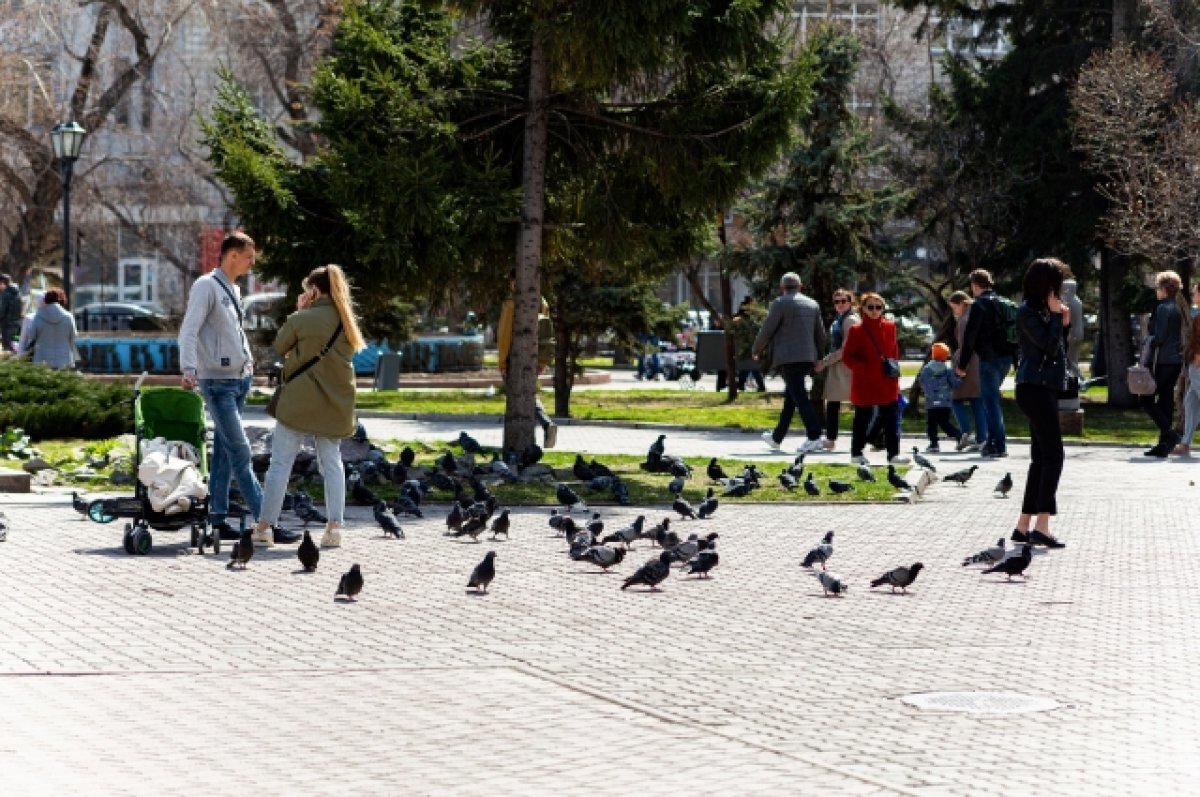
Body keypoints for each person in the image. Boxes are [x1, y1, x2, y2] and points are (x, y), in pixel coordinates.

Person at [179, 231, 300, 546]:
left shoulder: (231, 289)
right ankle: (266, 524)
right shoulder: (206, 286)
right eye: (249, 257)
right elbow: (189, 330)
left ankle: (217, 520)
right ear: (233, 255)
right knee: (241, 451)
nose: (252, 263)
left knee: (223, 453)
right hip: (216, 382)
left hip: (237, 380)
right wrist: (189, 368)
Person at [252, 265, 365, 548]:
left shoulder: (303, 319)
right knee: (332, 464)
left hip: (298, 404)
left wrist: (298, 312)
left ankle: (265, 527)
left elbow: (280, 346)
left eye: (306, 290)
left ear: (314, 290)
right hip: (334, 404)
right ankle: (334, 528)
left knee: (280, 464)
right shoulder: (347, 321)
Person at [1011, 257, 1070, 548]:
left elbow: (1058, 349)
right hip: (1033, 388)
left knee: (1040, 458)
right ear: (1045, 285)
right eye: (1056, 284)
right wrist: (1058, 317)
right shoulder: (1027, 312)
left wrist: (1060, 320)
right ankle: (1042, 526)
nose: (1059, 291)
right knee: (1054, 456)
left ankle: (1023, 526)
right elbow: (1047, 346)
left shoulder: (1043, 312)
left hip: (1043, 387)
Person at [753, 272, 827, 453]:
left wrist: (756, 349)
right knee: (791, 397)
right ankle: (777, 437)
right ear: (800, 286)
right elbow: (820, 334)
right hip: (807, 357)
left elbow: (767, 329)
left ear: (782, 288)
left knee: (799, 397)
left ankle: (815, 436)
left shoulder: (780, 303)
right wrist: (820, 357)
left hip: (788, 358)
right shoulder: (812, 304)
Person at [841, 292, 908, 465]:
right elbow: (848, 357)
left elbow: (894, 353)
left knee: (890, 419)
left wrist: (895, 376)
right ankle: (856, 453)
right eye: (870, 307)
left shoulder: (890, 327)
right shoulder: (856, 330)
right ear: (862, 308)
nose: (874, 311)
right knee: (862, 419)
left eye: (878, 307)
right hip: (865, 381)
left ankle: (894, 454)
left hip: (886, 380)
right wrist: (865, 368)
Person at [956, 269, 1013, 458]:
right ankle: (994, 441)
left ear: (974, 285)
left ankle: (997, 444)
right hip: (1006, 358)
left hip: (989, 359)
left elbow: (970, 338)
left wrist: (962, 365)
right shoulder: (1001, 302)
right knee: (992, 400)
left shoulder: (979, 306)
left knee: (990, 402)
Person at [496, 284, 557, 448]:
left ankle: (544, 424)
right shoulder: (541, 301)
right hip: (535, 357)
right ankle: (545, 424)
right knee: (528, 391)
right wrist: (542, 362)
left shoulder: (511, 303)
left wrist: (502, 361)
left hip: (514, 357)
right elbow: (546, 334)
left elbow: (504, 335)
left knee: (521, 395)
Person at [1140, 270, 1189, 458]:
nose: (1155, 290)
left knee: (1145, 399)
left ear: (1164, 289)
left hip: (1162, 361)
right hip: (1175, 361)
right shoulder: (1176, 308)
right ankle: (1164, 446)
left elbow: (1159, 338)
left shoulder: (1162, 308)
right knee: (1166, 401)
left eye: (1157, 287)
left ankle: (1169, 434)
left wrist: (1148, 340)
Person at [813, 288, 858, 451]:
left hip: (847, 366)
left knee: (859, 402)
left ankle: (872, 436)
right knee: (833, 402)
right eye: (836, 301)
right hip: (839, 366)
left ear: (850, 301)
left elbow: (845, 349)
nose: (839, 304)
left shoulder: (850, 320)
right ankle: (831, 439)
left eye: (843, 301)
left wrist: (824, 362)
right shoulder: (840, 319)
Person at [947, 291, 985, 452]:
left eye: (954, 307)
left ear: (961, 303)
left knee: (956, 399)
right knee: (977, 401)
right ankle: (982, 438)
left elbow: (965, 345)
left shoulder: (964, 321)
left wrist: (960, 366)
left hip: (967, 363)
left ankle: (965, 431)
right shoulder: (976, 315)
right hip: (979, 362)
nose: (954, 311)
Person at [917, 342, 962, 453]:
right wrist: (960, 378)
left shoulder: (926, 369)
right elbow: (955, 384)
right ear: (946, 356)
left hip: (931, 402)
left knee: (931, 423)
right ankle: (958, 435)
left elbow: (921, 382)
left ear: (933, 354)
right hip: (945, 402)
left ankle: (934, 444)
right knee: (944, 422)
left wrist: (927, 391)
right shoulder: (948, 370)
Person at [24, 288, 78, 369]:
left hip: (42, 359)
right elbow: (74, 336)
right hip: (64, 359)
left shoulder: (38, 317)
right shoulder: (68, 317)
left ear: (46, 300)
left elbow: (31, 336)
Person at [1174, 314, 1200, 456]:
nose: (1193, 295)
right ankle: (1185, 444)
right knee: (1190, 404)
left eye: (1195, 292)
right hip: (1196, 365)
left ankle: (1185, 444)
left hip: (1198, 366)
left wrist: (1197, 357)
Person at [0, 273, 21, 353]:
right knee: (14, 346)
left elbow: (1, 311)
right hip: (17, 325)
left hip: (7, 325)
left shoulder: (5, 295)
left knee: (7, 349)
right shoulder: (17, 293)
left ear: (2, 283)